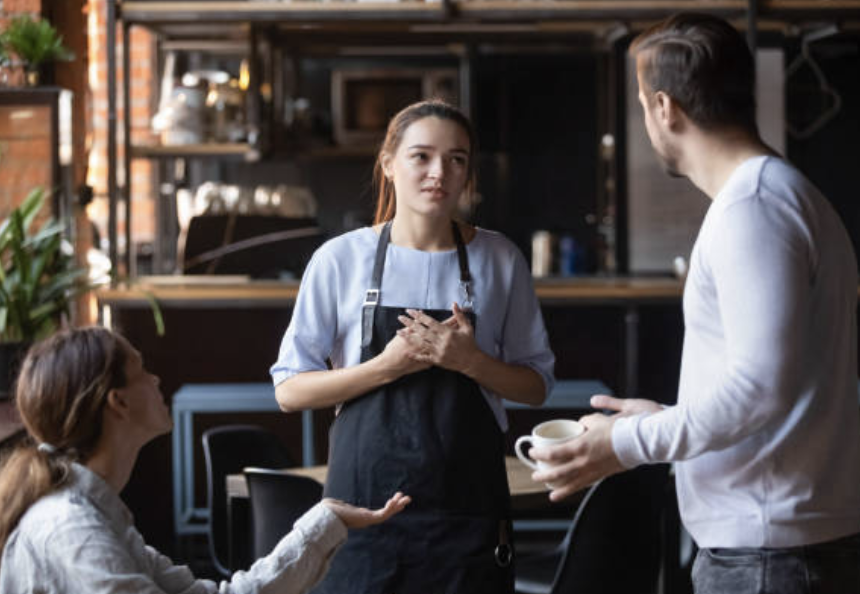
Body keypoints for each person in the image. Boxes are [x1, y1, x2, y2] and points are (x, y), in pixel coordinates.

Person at [530, 13, 860, 594]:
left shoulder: (753, 208)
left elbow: (760, 389)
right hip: (781, 547)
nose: (646, 118)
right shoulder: (781, 194)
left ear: (665, 108)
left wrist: (624, 444)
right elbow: (770, 386)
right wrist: (663, 419)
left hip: (769, 557)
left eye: (641, 103)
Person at [271, 99, 555, 594]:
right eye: (421, 156)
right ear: (389, 164)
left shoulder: (499, 259)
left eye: (457, 159)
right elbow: (289, 390)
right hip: (360, 516)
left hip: (468, 518)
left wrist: (470, 361)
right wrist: (385, 367)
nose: (439, 173)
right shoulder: (340, 260)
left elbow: (536, 386)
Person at [0, 326, 410, 593]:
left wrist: (325, 520)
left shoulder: (98, 514)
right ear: (118, 402)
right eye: (142, 371)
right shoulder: (74, 529)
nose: (156, 379)